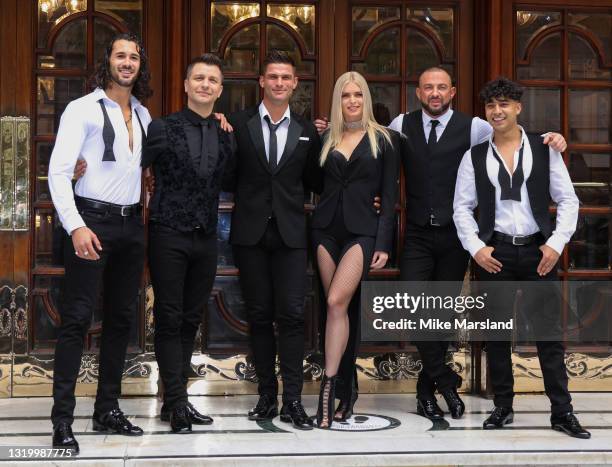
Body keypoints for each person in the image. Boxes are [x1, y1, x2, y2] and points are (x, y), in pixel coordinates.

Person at [386, 67, 567, 420]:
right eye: (428, 88)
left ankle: (427, 394)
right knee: (412, 306)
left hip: (457, 238)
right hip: (419, 233)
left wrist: (553, 139)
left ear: (452, 91)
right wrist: (327, 131)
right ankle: (445, 378)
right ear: (418, 93)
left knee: (439, 316)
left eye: (441, 87)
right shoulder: (399, 125)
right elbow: (374, 153)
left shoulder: (476, 127)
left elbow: (512, 136)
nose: (435, 93)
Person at [453, 77, 590, 439]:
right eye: (491, 106)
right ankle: (503, 406)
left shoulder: (545, 148)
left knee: (549, 335)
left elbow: (568, 199)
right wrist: (477, 248)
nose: (497, 112)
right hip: (495, 252)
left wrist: (556, 243)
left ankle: (562, 411)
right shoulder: (475, 155)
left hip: (537, 251)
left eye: (503, 104)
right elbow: (462, 208)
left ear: (518, 107)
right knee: (497, 335)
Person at [48, 33, 152, 453]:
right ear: (106, 61)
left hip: (131, 228)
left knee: (120, 323)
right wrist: (74, 226)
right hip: (90, 221)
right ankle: (62, 421)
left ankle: (107, 407)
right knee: (75, 321)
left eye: (133, 57)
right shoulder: (81, 109)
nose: (127, 62)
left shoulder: (144, 115)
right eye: (120, 55)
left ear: (139, 66)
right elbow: (59, 172)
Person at [227, 50, 322, 430]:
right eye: (273, 77)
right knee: (260, 316)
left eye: (286, 77)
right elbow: (225, 175)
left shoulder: (307, 130)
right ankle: (267, 395)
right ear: (261, 82)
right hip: (250, 234)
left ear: (295, 83)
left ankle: (294, 401)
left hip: (291, 236)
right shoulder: (237, 123)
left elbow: (317, 182)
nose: (279, 83)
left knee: (293, 317)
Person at [142, 54, 236, 433]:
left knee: (189, 320)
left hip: (205, 238)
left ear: (220, 89)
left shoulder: (227, 134)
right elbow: (133, 169)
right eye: (198, 78)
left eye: (212, 80)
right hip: (168, 234)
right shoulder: (162, 128)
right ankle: (177, 402)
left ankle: (175, 401)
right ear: (185, 85)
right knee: (168, 319)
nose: (205, 85)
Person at [312, 71, 399, 428]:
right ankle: (344, 391)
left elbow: (391, 197)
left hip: (362, 232)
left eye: (358, 95)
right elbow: (314, 183)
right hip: (324, 230)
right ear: (338, 100)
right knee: (335, 310)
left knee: (337, 302)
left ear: (366, 99)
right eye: (345, 95)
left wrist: (383, 243)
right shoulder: (326, 137)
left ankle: (327, 388)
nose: (352, 101)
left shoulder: (386, 139)